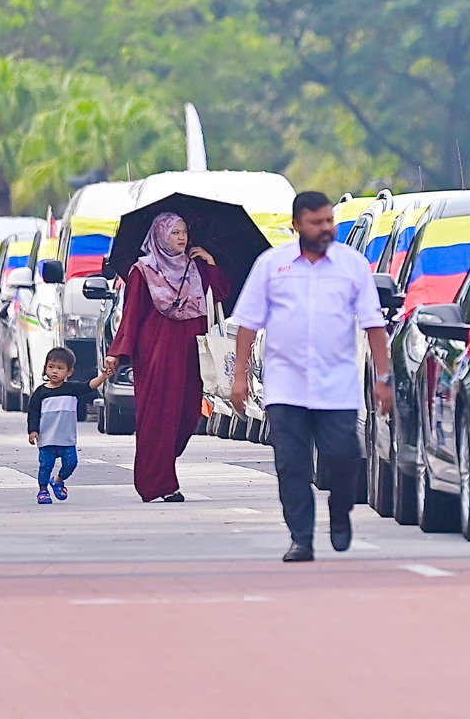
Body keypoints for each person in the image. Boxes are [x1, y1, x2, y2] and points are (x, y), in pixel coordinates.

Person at [229, 191, 391, 563]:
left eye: (329, 220)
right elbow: (248, 324)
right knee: (292, 463)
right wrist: (240, 377)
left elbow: (373, 324)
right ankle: (300, 537)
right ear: (296, 225)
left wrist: (383, 377)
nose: (325, 228)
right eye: (316, 222)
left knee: (345, 455)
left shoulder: (353, 265)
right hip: (286, 385)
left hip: (337, 385)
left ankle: (340, 510)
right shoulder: (272, 265)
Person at [103, 212, 230, 503]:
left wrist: (210, 263)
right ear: (160, 235)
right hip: (157, 353)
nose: (182, 237)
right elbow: (132, 314)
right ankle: (160, 482)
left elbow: (221, 291)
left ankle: (158, 465)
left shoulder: (196, 267)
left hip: (189, 352)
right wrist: (116, 353)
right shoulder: (142, 270)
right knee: (158, 416)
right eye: (174, 232)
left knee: (187, 416)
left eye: (184, 231)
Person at [28, 347, 82, 504]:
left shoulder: (72, 389)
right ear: (45, 368)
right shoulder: (40, 392)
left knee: (71, 463)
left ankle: (58, 480)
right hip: (47, 438)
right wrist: (33, 431)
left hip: (66, 438)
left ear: (69, 372)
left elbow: (89, 386)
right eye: (51, 367)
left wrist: (104, 377)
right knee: (45, 465)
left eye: (60, 368)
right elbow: (33, 413)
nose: (54, 372)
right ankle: (43, 491)